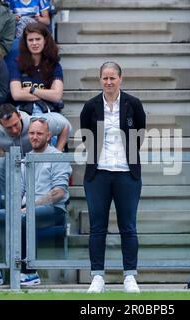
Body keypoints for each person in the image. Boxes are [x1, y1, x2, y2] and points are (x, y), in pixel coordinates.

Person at [0, 117, 72, 286]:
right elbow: (18, 192)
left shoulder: (58, 157)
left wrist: (29, 207)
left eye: (39, 134)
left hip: (53, 209)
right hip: (26, 209)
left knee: (23, 218)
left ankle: (29, 273)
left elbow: (58, 192)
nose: (34, 137)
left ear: (48, 136)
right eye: (32, 133)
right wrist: (16, 207)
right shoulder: (25, 158)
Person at [80, 62, 146, 294]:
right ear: (100, 80)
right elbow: (87, 138)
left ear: (121, 79)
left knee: (128, 227)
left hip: (126, 173)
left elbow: (139, 134)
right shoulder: (90, 106)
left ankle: (130, 276)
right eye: (105, 78)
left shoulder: (133, 104)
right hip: (98, 174)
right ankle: (97, 276)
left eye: (113, 78)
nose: (109, 82)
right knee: (97, 227)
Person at [0, 103, 71, 197]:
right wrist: (1, 150)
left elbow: (65, 126)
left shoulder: (36, 123)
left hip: (37, 161)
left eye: (15, 124)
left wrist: (57, 153)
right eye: (9, 128)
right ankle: (4, 203)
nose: (14, 130)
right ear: (1, 124)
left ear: (19, 116)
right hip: (15, 161)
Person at [9, 22, 63, 116]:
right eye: (30, 40)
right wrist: (46, 95)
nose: (34, 43)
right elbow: (16, 94)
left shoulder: (54, 65)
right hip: (22, 111)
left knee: (66, 125)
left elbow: (56, 96)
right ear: (26, 42)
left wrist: (32, 89)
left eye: (38, 39)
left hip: (47, 110)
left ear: (45, 40)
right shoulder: (17, 63)